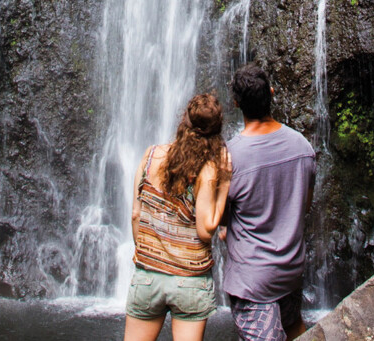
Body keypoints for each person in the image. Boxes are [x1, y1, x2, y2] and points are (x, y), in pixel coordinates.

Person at [124, 93, 231, 341]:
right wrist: (224, 183)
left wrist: (146, 258)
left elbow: (135, 214)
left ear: (184, 120)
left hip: (148, 277)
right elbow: (206, 230)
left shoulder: (151, 156)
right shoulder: (206, 170)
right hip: (189, 281)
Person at [222, 64, 316, 341]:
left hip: (252, 277)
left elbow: (220, 216)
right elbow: (304, 206)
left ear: (236, 103)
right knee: (294, 328)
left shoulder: (230, 157)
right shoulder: (303, 147)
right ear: (272, 94)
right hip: (290, 268)